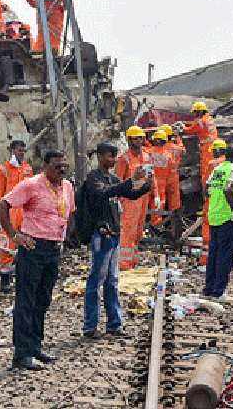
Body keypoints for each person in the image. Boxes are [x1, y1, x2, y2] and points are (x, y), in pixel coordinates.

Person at [0, 149, 76, 370]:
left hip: (53, 249)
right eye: (57, 165)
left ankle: (35, 346)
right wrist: (14, 234)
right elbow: (2, 205)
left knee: (43, 299)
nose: (62, 169)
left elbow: (69, 213)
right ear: (45, 166)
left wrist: (64, 239)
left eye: (64, 165)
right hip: (33, 248)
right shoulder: (31, 184)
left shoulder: (67, 186)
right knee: (26, 301)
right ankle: (21, 354)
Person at [78, 143, 152, 339]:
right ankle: (90, 326)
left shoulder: (111, 178)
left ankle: (114, 325)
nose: (113, 160)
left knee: (112, 281)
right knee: (96, 280)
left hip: (113, 234)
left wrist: (146, 185)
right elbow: (104, 192)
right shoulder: (94, 178)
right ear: (101, 156)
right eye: (111, 156)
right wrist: (130, 181)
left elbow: (129, 193)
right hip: (101, 234)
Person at [115, 127, 159, 271]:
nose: (139, 141)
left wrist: (156, 194)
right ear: (129, 140)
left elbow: (153, 177)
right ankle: (124, 264)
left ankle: (132, 261)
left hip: (143, 197)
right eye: (135, 138)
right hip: (129, 199)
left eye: (140, 138)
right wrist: (118, 201)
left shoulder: (147, 156)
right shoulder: (124, 159)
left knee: (138, 230)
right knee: (128, 231)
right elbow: (118, 181)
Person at [202, 146, 233, 300]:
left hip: (214, 215)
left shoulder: (218, 169)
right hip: (227, 217)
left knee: (213, 253)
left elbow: (206, 189)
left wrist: (214, 201)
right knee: (225, 255)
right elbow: (228, 189)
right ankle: (219, 292)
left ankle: (209, 289)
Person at [0, 140, 34, 289]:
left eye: (23, 150)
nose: (22, 153)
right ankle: (5, 280)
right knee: (6, 245)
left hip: (24, 211)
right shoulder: (3, 170)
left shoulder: (27, 169)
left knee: (26, 242)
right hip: (8, 212)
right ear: (12, 151)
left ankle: (24, 276)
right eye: (19, 150)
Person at [180, 102, 218, 261]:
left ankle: (206, 194)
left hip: (207, 153)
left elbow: (189, 130)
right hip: (212, 150)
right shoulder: (209, 119)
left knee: (206, 179)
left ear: (198, 112)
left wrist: (181, 127)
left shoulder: (200, 121)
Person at [147, 129, 180, 227]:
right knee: (158, 206)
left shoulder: (148, 152)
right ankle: (156, 226)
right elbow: (171, 170)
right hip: (161, 184)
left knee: (142, 204)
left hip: (148, 181)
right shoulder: (168, 156)